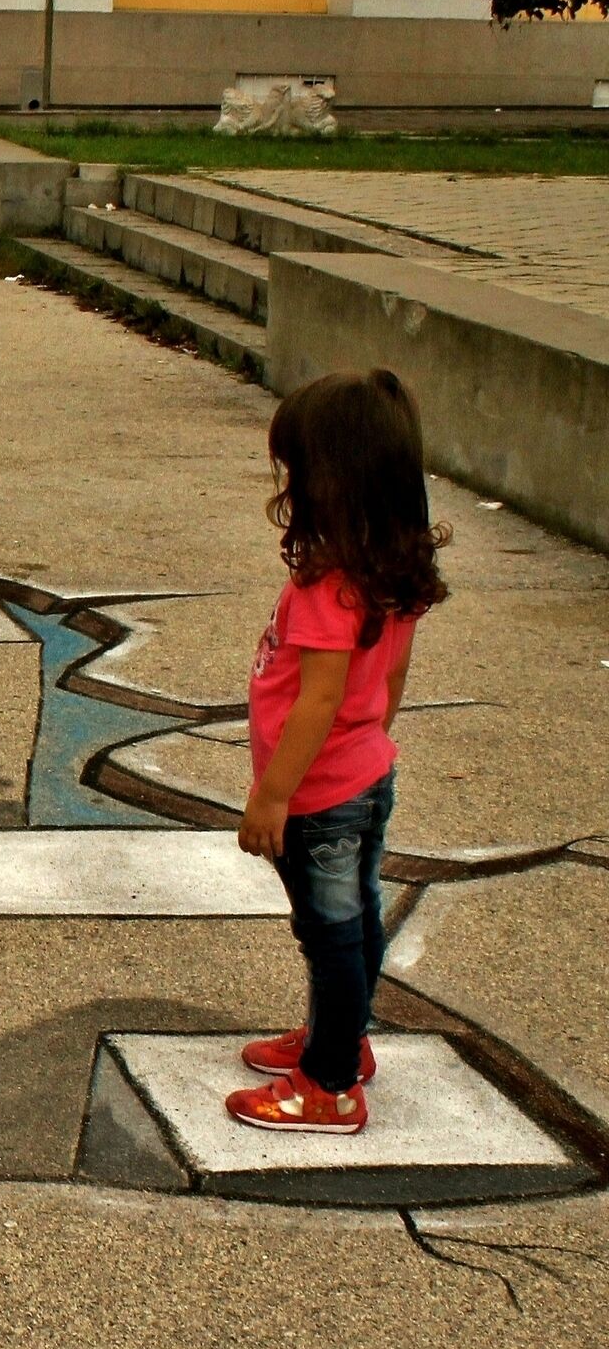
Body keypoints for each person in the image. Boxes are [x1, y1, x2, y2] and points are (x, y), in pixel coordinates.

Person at [225, 369, 450, 1137]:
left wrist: (274, 796)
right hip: (363, 777)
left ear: (332, 478)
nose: (288, 484)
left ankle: (329, 1084)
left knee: (329, 934)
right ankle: (341, 1040)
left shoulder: (328, 588)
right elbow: (389, 677)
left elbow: (319, 699)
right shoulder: (395, 566)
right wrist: (371, 745)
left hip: (319, 796)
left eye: (295, 468)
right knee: (351, 923)